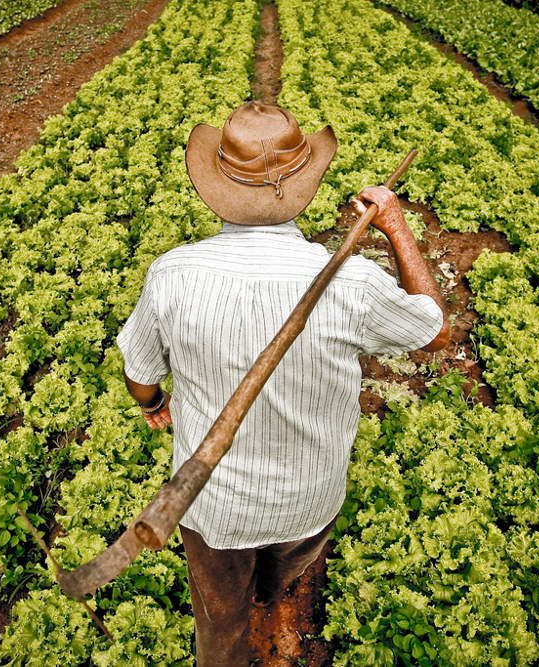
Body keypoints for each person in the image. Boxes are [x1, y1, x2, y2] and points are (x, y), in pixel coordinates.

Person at [116, 101, 449, 666]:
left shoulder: (171, 275)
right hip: (309, 498)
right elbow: (432, 330)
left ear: (216, 183)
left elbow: (140, 375)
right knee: (285, 567)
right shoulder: (353, 282)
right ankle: (271, 596)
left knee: (220, 624)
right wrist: (395, 226)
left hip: (212, 509)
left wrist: (153, 404)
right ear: (306, 185)